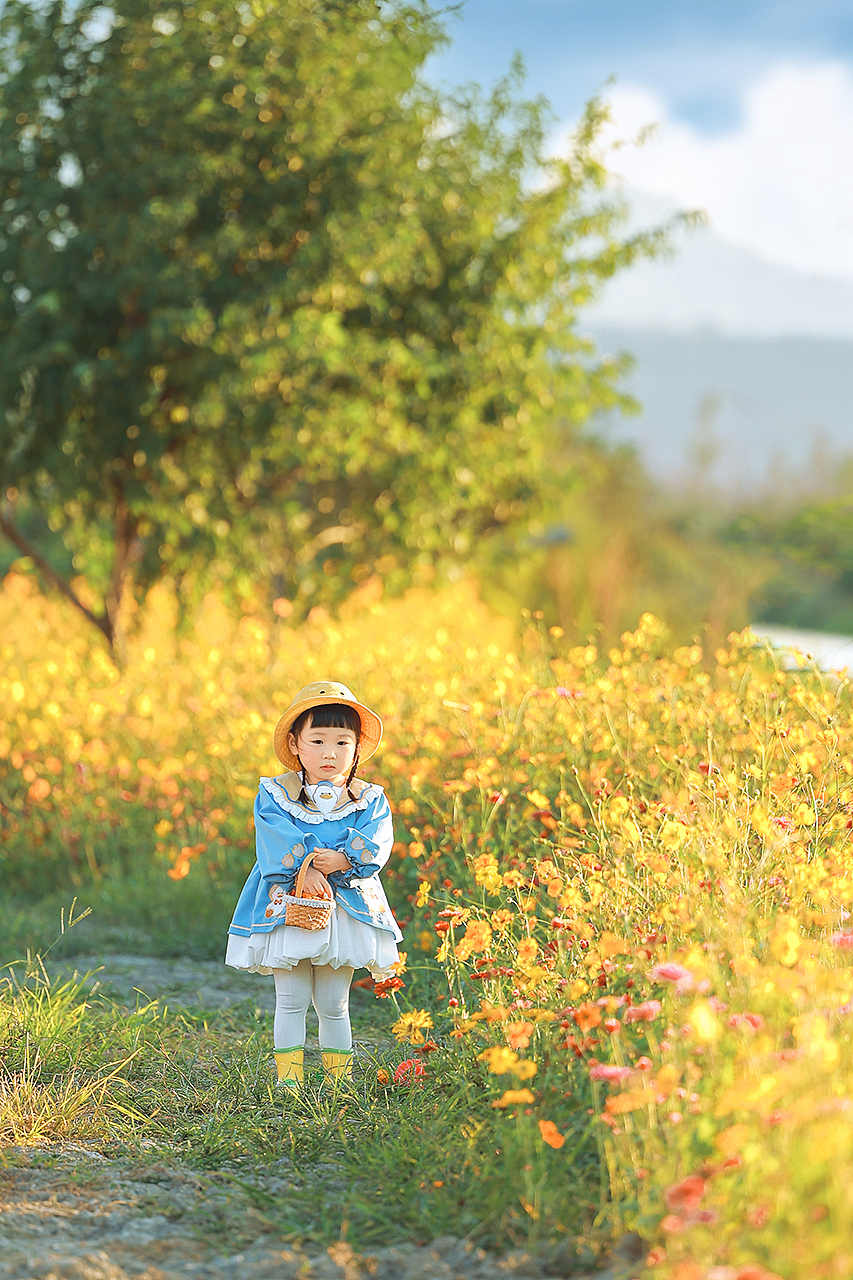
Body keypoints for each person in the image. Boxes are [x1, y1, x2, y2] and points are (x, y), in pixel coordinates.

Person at [225, 681, 401, 1089]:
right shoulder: (275, 793)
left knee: (334, 1002)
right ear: (295, 743)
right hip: (290, 902)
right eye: (317, 740)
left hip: (345, 911)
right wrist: (310, 867)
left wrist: (344, 859)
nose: (329, 753)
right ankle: (290, 1087)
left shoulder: (369, 797)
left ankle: (339, 1086)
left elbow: (377, 841)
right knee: (290, 998)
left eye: (342, 742)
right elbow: (274, 839)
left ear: (357, 748)